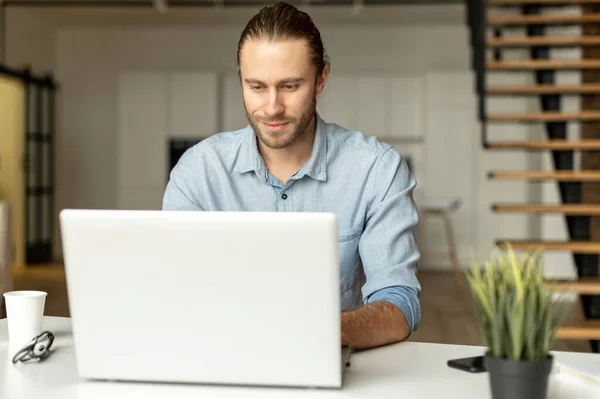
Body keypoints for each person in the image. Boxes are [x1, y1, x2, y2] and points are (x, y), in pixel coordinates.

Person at [163, 2, 421, 350]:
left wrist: (317, 330)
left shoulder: (377, 170)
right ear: (240, 79)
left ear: (321, 79)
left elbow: (399, 303)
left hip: (327, 362)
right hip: (218, 355)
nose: (272, 107)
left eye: (289, 86)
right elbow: (174, 290)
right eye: (256, 86)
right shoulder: (198, 171)